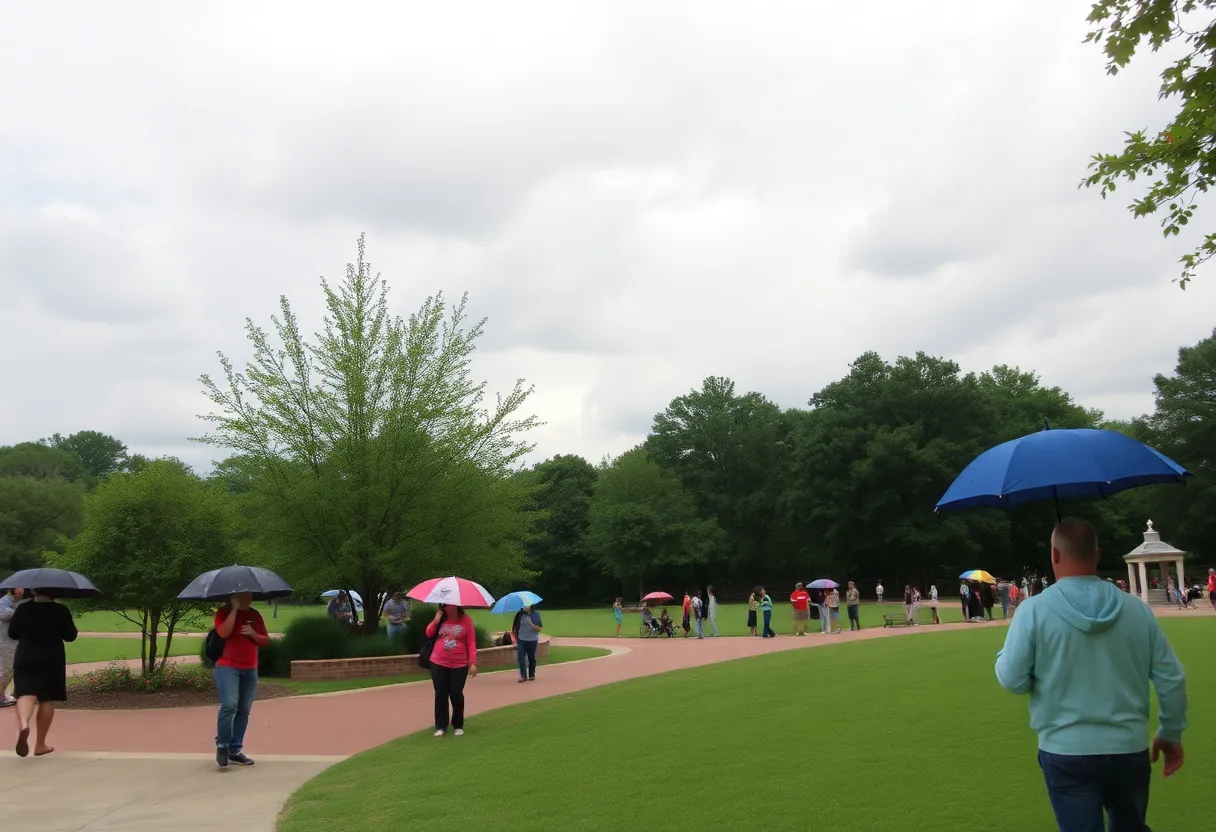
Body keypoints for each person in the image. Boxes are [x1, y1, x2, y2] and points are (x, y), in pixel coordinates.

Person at [995, 518, 1187, 831]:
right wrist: (1171, 732)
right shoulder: (1137, 610)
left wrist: (1004, 656)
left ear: (1054, 555)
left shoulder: (1033, 610)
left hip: (1065, 751)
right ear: (1097, 555)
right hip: (1128, 748)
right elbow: (1171, 677)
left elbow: (1012, 680)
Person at [7, 588, 76, 758]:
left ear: (34, 590)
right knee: (47, 698)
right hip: (51, 658)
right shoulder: (60, 610)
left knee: (25, 692)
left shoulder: (23, 608)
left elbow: (12, 633)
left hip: (26, 656)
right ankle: (40, 744)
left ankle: (24, 724)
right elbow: (70, 636)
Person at [213, 592, 270, 768]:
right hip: (227, 665)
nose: (249, 597)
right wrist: (234, 610)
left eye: (250, 594)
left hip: (250, 668)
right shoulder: (223, 612)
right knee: (230, 705)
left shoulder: (255, 615)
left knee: (244, 709)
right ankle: (222, 746)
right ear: (234, 596)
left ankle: (235, 750)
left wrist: (253, 633)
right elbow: (223, 633)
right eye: (245, 594)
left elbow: (265, 640)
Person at [426, 604, 478, 737]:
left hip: (459, 663)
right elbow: (429, 633)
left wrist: (472, 663)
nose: (446, 606)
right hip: (438, 661)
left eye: (449, 603)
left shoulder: (466, 620)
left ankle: (458, 724)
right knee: (441, 693)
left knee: (456, 693)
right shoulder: (441, 617)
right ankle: (441, 725)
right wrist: (435, 621)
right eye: (445, 603)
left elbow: (471, 642)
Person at [0, 587, 23, 708]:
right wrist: (19, 610)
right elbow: (3, 615)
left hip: (12, 641)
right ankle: (0, 696)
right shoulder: (5, 601)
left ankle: (8, 693)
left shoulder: (13, 602)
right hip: (6, 641)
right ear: (17, 590)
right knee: (6, 670)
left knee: (13, 668)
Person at [511, 605, 543, 682]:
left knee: (531, 658)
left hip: (532, 640)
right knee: (520, 658)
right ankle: (523, 676)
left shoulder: (535, 615)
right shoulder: (519, 615)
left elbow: (539, 629)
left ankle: (532, 674)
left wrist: (531, 624)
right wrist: (515, 640)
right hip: (521, 640)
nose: (526, 606)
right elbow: (514, 628)